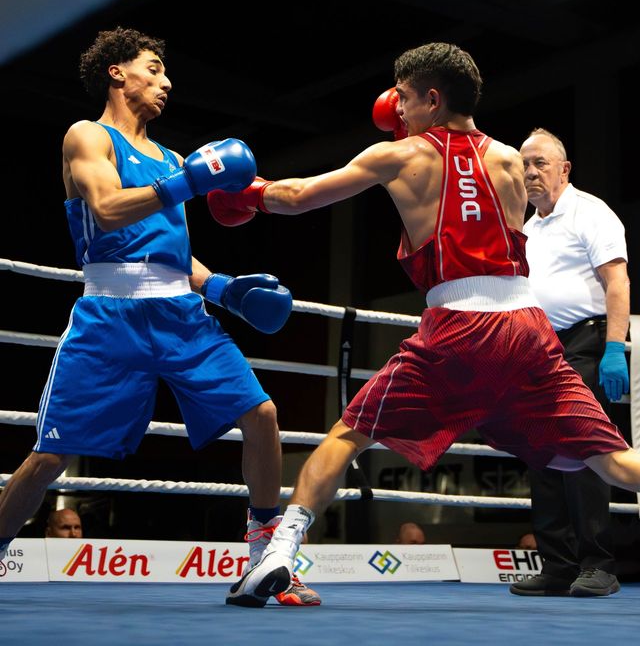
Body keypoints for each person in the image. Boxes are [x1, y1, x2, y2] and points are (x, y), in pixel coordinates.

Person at [207, 41, 640, 607]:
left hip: (456, 329)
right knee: (610, 461)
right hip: (526, 330)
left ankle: (279, 554)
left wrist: (244, 190)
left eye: (406, 98)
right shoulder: (511, 160)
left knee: (347, 437)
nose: (399, 109)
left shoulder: (404, 156)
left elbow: (299, 198)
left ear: (431, 99)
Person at [0, 27, 319, 607]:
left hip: (181, 314)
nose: (166, 81)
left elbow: (172, 249)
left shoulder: (172, 158)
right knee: (50, 455)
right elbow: (107, 209)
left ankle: (265, 560)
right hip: (109, 316)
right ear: (117, 73)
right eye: (153, 68)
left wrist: (222, 288)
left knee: (263, 415)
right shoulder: (88, 137)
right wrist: (191, 181)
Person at [509, 129, 630, 598]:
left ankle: (598, 563)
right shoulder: (528, 226)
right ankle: (557, 564)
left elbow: (616, 281)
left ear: (564, 169)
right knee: (541, 452)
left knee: (581, 449)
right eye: (524, 164)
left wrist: (615, 348)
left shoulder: (591, 211)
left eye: (541, 163)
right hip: (537, 348)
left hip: (587, 340)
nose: (531, 172)